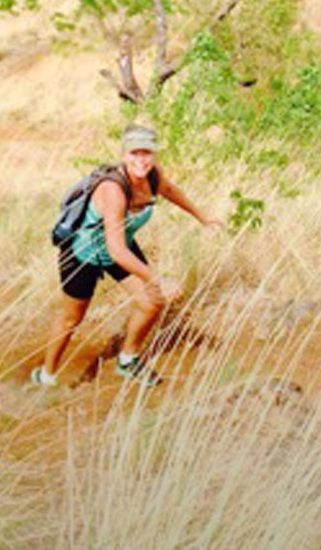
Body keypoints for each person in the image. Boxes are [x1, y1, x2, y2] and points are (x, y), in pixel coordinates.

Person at [36, 123, 220, 389]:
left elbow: (169, 191)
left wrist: (202, 217)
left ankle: (127, 360)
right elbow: (117, 252)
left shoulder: (153, 175)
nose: (141, 160)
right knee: (71, 319)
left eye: (147, 153)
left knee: (152, 302)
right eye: (134, 153)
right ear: (123, 154)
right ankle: (46, 376)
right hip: (83, 254)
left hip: (120, 244)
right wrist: (160, 279)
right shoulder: (113, 190)